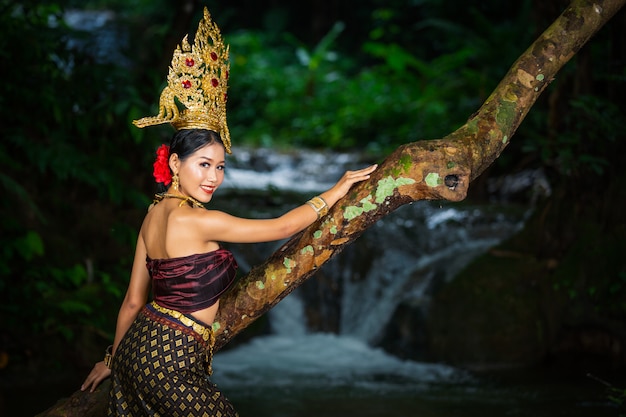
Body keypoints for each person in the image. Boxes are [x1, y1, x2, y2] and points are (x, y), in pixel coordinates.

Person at [80, 8, 376, 416]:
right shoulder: (201, 220)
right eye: (203, 164)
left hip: (138, 349)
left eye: (220, 167)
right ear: (173, 163)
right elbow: (284, 226)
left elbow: (133, 300)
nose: (214, 177)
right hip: (169, 363)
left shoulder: (152, 215)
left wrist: (112, 360)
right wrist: (338, 188)